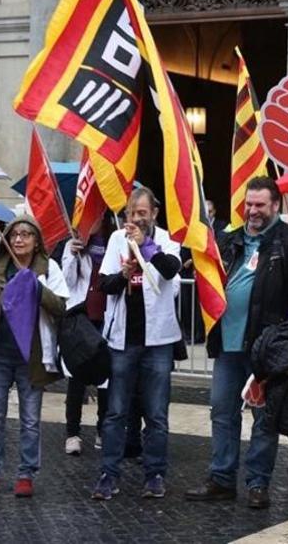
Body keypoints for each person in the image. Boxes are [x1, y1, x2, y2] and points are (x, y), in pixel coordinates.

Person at [185, 177, 288, 508]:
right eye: (249, 204)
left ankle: (258, 484)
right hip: (227, 345)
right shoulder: (228, 240)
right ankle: (222, 479)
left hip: (265, 350)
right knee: (222, 412)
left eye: (260, 205)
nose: (253, 211)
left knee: (263, 420)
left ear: (275, 205)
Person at [0, 215, 68, 497]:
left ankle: (26, 474)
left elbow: (61, 306)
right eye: (14, 235)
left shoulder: (49, 268)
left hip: (31, 358)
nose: (19, 239)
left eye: (26, 235)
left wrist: (36, 287)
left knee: (31, 419)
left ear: (37, 242)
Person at [91, 188, 182, 501]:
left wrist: (147, 247)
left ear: (154, 213)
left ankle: (155, 474)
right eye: (132, 213)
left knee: (156, 413)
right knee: (115, 411)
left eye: (142, 213)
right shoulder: (117, 239)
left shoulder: (168, 239)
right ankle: (109, 474)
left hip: (157, 339)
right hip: (123, 339)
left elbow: (171, 268)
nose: (137, 219)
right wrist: (123, 274)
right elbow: (105, 284)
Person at [60, 212, 115, 456]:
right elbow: (66, 281)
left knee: (105, 379)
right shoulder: (74, 243)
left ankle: (103, 430)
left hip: (106, 318)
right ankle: (73, 433)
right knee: (77, 377)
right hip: (82, 319)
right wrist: (71, 256)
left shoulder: (115, 238)